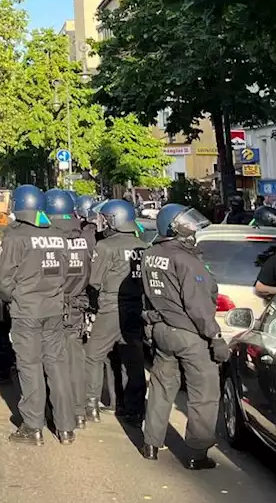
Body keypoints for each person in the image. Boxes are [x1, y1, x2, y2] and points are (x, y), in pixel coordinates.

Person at [141, 204, 224, 469]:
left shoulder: (151, 254)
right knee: (204, 392)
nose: (191, 230)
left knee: (161, 388)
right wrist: (215, 337)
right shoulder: (187, 260)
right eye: (185, 225)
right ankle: (197, 454)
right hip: (189, 334)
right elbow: (198, 306)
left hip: (162, 330)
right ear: (173, 228)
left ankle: (151, 443)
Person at [0, 185, 75, 445]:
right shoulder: (57, 234)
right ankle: (65, 427)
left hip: (27, 310)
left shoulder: (15, 237)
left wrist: (15, 297)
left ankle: (33, 426)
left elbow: (3, 281)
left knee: (30, 367)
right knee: (57, 366)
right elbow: (65, 273)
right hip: (53, 308)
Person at [85, 200, 149, 426]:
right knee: (132, 359)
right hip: (136, 309)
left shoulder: (106, 246)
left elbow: (94, 280)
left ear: (114, 220)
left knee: (93, 355)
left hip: (111, 308)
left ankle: (90, 404)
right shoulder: (143, 246)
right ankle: (134, 409)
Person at [46, 188, 92, 430]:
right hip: (78, 302)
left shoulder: (52, 239)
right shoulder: (83, 237)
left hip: (55, 303)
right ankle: (80, 410)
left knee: (55, 363)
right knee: (76, 358)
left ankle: (61, 415)